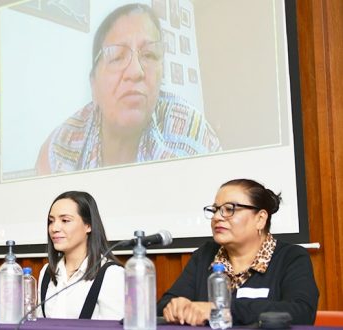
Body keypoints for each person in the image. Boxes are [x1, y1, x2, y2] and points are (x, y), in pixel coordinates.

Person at [36, 4, 220, 175]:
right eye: (117, 57)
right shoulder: (58, 150)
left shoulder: (195, 138)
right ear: (93, 85)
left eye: (149, 55)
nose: (135, 71)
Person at [158, 179, 319, 326]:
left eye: (229, 209)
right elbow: (163, 305)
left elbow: (302, 312)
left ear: (260, 219)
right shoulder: (205, 255)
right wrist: (175, 305)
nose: (216, 217)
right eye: (215, 210)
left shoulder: (291, 257)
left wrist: (221, 311)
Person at [38, 191, 125, 320]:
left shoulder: (112, 274)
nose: (54, 228)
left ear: (88, 225)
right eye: (51, 221)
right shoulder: (46, 272)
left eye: (65, 220)